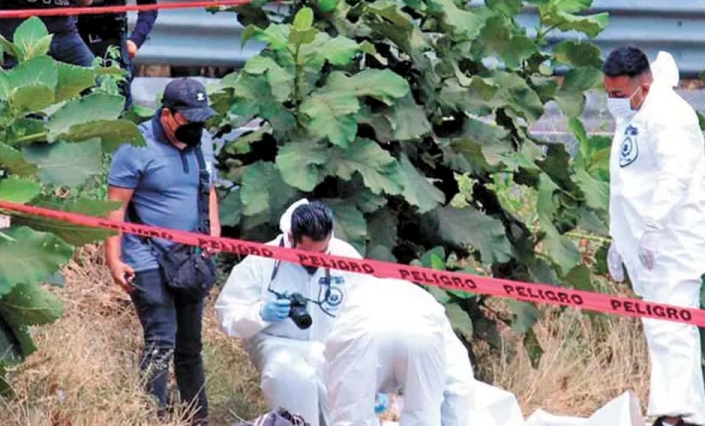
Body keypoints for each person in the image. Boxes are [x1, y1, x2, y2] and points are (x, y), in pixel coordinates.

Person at [602, 46, 705, 426]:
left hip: (674, 240)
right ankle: (687, 415)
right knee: (662, 326)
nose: (612, 102)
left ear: (643, 86)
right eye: (608, 93)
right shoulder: (635, 113)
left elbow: (675, 178)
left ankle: (675, 416)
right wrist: (620, 240)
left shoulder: (670, 116)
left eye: (618, 94)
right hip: (646, 243)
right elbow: (627, 183)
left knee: (671, 328)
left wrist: (651, 230)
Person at [104, 78, 220, 425]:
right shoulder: (135, 146)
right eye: (190, 120)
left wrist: (213, 228)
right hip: (146, 255)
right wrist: (113, 257)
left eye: (202, 120)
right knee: (160, 339)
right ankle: (150, 417)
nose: (197, 128)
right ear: (167, 114)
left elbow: (208, 187)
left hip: (190, 258)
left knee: (190, 346)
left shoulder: (204, 141)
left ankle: (196, 418)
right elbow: (114, 208)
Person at [215, 199, 364, 426]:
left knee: (343, 400)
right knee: (292, 378)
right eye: (306, 254)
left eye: (322, 252)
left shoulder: (346, 256)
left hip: (329, 346)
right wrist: (260, 313)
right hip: (278, 343)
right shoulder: (262, 260)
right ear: (291, 238)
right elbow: (227, 315)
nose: (316, 260)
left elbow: (367, 308)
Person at [324, 275, 475, 426]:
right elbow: (459, 384)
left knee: (352, 419)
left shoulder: (353, 300)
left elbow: (329, 376)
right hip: (421, 329)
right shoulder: (430, 310)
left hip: (363, 326)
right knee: (422, 418)